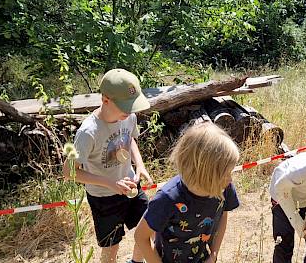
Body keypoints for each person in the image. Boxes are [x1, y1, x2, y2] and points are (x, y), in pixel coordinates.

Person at [63, 68, 154, 263]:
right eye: (125, 106)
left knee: (145, 231)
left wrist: (139, 165)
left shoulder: (129, 116)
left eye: (132, 106)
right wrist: (110, 184)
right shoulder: (88, 132)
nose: (129, 111)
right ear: (105, 100)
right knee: (111, 245)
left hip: (130, 186)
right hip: (103, 197)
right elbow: (69, 172)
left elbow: (129, 139)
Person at [135, 122, 240, 263]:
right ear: (204, 173)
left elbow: (223, 215)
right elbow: (140, 236)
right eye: (226, 173)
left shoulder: (223, 188)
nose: (230, 179)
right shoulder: (167, 199)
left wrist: (214, 254)